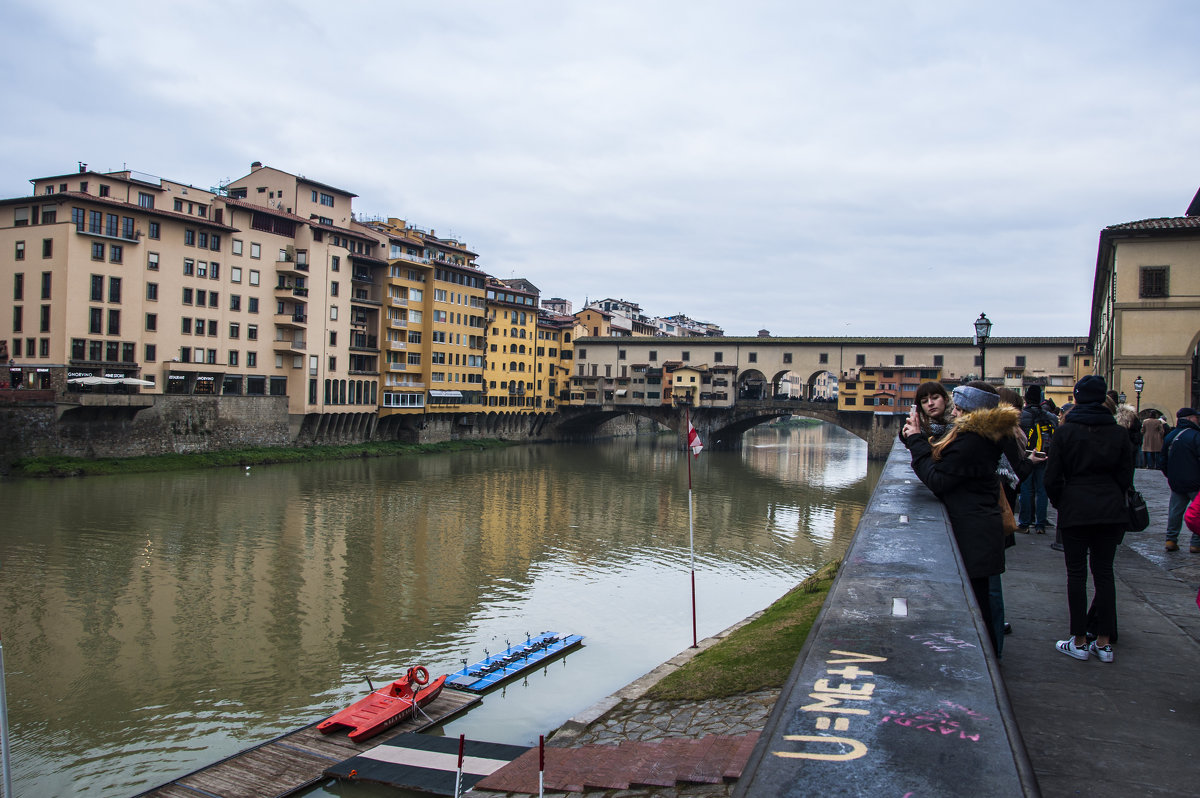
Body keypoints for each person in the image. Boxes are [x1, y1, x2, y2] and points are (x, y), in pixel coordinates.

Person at [900, 383, 1022, 653]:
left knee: (979, 604)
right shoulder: (980, 436)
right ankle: (990, 655)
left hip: (975, 530)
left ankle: (988, 660)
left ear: (970, 411)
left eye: (958, 408)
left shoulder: (972, 442)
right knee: (981, 601)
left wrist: (917, 441)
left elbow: (937, 479)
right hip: (980, 527)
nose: (953, 413)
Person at [1045, 375, 1134, 663]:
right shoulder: (1119, 433)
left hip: (1076, 508)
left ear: (1078, 397)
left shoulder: (1066, 432)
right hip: (1109, 510)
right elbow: (1125, 478)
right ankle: (1105, 642)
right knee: (1105, 573)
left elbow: (1052, 478)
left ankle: (1080, 640)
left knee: (1076, 574)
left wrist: (1063, 501)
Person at [1018, 385, 1057, 534]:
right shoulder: (1051, 417)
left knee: (1026, 490)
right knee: (1042, 491)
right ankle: (1040, 524)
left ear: (1026, 399)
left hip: (1027, 455)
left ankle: (1025, 523)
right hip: (1044, 456)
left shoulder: (1021, 415)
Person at [1163, 407, 1200, 553]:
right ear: (1190, 418)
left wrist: (1171, 476)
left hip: (1176, 482)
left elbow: (1162, 461)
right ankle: (1196, 543)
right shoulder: (1196, 436)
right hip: (1196, 482)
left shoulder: (1170, 436)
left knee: (1175, 512)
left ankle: (1171, 540)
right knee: (1197, 513)